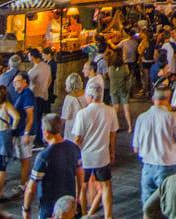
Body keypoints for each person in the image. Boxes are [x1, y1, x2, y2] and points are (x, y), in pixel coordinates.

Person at [134, 85, 176, 208]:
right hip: (168, 166)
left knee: (149, 207)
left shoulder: (141, 118)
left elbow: (136, 148)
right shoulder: (172, 117)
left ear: (154, 98)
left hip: (147, 167)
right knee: (170, 206)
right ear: (168, 98)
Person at [71, 86, 118, 217]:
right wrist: (112, 151)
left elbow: (78, 138)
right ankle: (108, 215)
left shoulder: (83, 113)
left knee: (83, 186)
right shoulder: (110, 111)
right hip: (102, 155)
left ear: (91, 97)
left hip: (85, 156)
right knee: (106, 186)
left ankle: (85, 214)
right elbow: (113, 134)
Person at [24, 114, 82, 219]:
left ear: (46, 132)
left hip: (49, 209)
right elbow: (80, 175)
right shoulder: (74, 148)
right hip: (69, 207)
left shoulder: (43, 157)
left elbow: (31, 188)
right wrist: (78, 198)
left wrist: (26, 209)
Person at [12, 71, 37, 198]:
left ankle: (23, 185)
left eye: (17, 81)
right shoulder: (22, 94)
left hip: (24, 131)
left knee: (25, 158)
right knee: (23, 158)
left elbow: (30, 116)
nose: (15, 84)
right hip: (20, 131)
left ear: (24, 82)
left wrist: (27, 132)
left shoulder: (27, 94)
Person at [27, 49, 53, 140]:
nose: (28, 57)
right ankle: (43, 137)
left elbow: (28, 83)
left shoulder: (33, 71)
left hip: (36, 96)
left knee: (36, 119)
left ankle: (38, 139)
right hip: (45, 95)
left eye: (29, 55)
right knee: (42, 117)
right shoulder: (47, 67)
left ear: (33, 57)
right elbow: (50, 80)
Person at [106, 48, 133, 132]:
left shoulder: (110, 68)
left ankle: (114, 127)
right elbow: (127, 76)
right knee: (126, 109)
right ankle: (130, 127)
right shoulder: (125, 67)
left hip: (113, 90)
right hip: (123, 89)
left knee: (115, 109)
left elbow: (109, 77)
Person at [59, 73, 84, 140]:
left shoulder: (69, 98)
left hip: (72, 127)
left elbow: (65, 116)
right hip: (83, 126)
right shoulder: (85, 95)